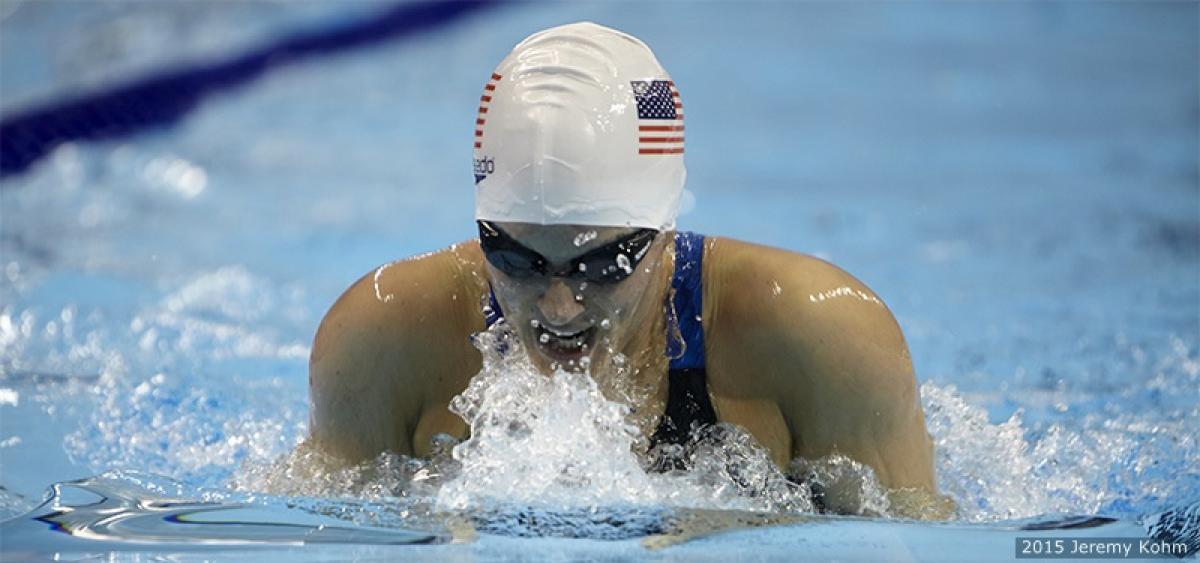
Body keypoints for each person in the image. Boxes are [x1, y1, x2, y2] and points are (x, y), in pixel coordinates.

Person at [308, 22, 952, 518]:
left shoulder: (819, 336)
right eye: (515, 260)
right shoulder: (383, 338)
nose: (559, 306)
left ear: (664, 234)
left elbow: (908, 545)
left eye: (604, 263)